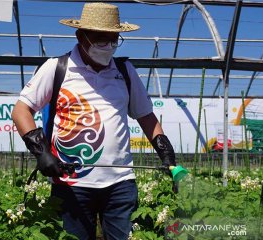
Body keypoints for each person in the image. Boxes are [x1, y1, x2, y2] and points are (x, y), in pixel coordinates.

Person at [11, 2, 176, 239]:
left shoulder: (125, 70)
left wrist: (167, 155)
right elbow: (21, 111)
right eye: (101, 39)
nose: (108, 46)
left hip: (120, 183)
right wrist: (42, 153)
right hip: (71, 184)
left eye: (114, 39)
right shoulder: (57, 68)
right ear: (81, 36)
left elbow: (146, 117)